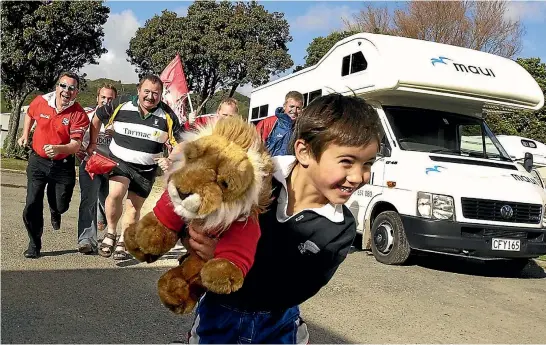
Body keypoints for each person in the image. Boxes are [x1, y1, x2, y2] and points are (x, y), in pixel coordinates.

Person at [153, 94, 381, 343]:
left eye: (367, 163)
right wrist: (182, 234)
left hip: (278, 323)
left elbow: (295, 290)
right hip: (221, 313)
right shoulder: (255, 180)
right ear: (304, 151)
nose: (358, 176)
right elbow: (197, 199)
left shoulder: (340, 229)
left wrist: (228, 259)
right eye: (347, 162)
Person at [87, 74, 182, 260]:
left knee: (133, 207)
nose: (150, 97)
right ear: (138, 90)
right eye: (146, 91)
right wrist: (92, 143)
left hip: (146, 170)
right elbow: (97, 118)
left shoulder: (168, 115)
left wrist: (170, 159)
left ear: (161, 95)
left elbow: (181, 143)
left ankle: (124, 239)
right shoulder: (121, 103)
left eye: (156, 93)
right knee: (115, 193)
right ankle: (111, 233)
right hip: (120, 161)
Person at [19, 72, 90, 259]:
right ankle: (34, 244)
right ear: (57, 86)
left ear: (77, 92)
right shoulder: (41, 101)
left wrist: (58, 149)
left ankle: (55, 210)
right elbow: (29, 114)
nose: (66, 91)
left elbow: (75, 145)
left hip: (63, 164)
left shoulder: (79, 114)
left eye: (71, 88)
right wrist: (25, 134)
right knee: (32, 203)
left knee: (61, 204)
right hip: (37, 161)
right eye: (63, 86)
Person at [75, 84, 117, 254]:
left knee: (110, 202)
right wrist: (77, 147)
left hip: (113, 167)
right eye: (103, 98)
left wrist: (117, 134)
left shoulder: (120, 119)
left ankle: (103, 217)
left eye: (110, 99)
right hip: (90, 164)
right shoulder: (87, 116)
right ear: (97, 98)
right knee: (88, 200)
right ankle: (86, 240)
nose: (106, 102)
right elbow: (75, 135)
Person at [256, 91, 304, 156]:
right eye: (291, 106)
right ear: (284, 106)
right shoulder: (268, 123)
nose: (294, 111)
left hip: (291, 165)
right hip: (269, 164)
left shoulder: (302, 128)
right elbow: (255, 148)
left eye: (298, 108)